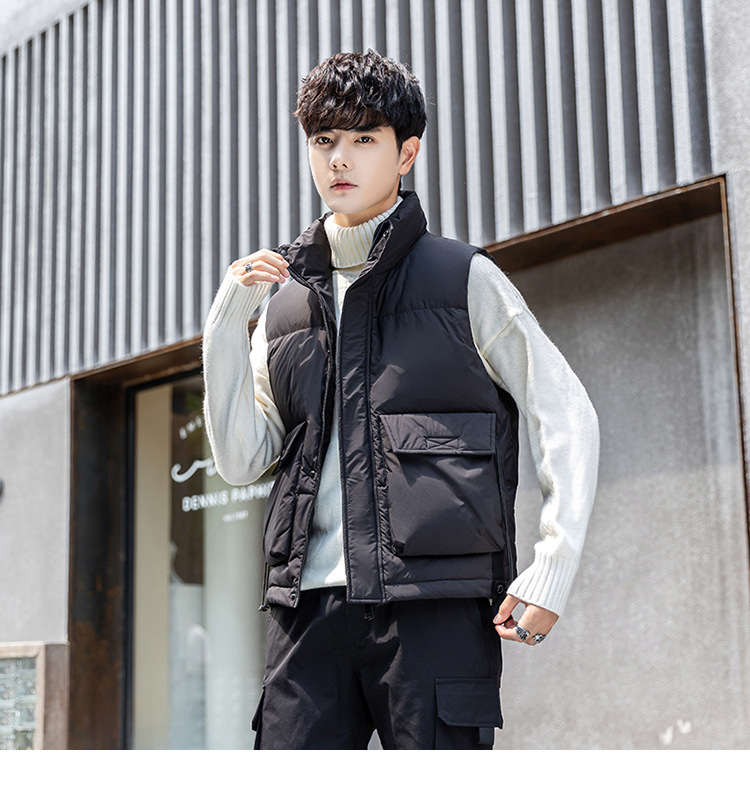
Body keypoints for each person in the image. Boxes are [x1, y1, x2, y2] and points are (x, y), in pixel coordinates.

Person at [202, 50, 599, 750]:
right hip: (304, 613)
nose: (339, 159)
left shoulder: (461, 277)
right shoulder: (285, 305)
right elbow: (241, 461)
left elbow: (563, 408)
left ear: (406, 152)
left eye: (363, 138)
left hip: (432, 610)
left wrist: (553, 566)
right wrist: (227, 325)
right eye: (324, 140)